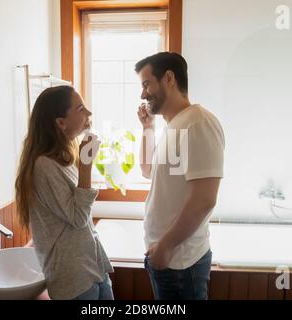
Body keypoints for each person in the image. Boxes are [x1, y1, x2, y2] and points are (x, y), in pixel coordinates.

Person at [136, 52, 225, 300]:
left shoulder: (197, 124)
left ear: (168, 79)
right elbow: (146, 171)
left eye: (146, 84)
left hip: (181, 264)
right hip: (168, 259)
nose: (143, 94)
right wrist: (147, 129)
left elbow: (204, 199)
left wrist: (166, 246)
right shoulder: (174, 126)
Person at [15, 85, 114, 300]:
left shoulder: (63, 158)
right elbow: (78, 218)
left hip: (92, 268)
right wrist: (86, 167)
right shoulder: (43, 166)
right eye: (81, 109)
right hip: (73, 279)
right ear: (60, 122)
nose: (89, 113)